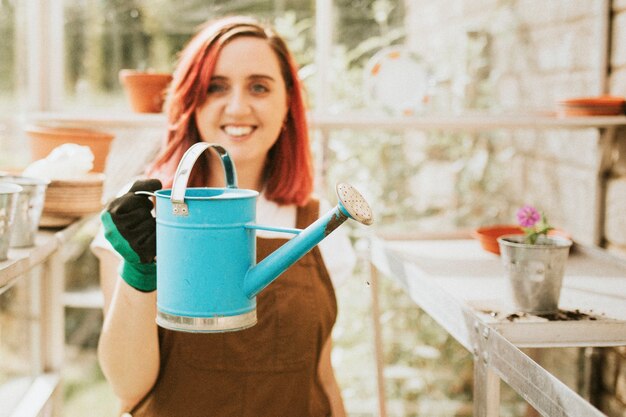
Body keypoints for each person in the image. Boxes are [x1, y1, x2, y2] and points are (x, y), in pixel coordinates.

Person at [91, 15, 356, 417]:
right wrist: (139, 272)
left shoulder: (316, 223)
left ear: (288, 101)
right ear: (190, 100)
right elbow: (127, 389)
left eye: (259, 87)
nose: (237, 106)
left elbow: (320, 373)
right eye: (215, 87)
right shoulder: (144, 218)